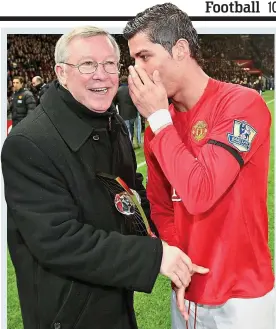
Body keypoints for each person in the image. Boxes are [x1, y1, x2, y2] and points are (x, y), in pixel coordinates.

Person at [1, 26, 208, 329]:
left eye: (110, 64)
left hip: (114, 299)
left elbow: (131, 195)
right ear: (61, 73)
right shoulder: (28, 142)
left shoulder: (112, 123)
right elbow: (58, 240)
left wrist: (174, 238)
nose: (101, 74)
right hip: (67, 314)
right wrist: (154, 256)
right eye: (87, 64)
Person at [123, 3, 275, 329]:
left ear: (179, 50)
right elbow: (163, 206)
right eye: (133, 59)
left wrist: (160, 120)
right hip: (188, 293)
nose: (135, 71)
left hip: (242, 297)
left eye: (144, 57)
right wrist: (180, 267)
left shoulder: (241, 104)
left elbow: (200, 192)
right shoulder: (157, 127)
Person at [113, 75, 139, 145]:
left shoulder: (117, 91)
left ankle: (130, 143)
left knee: (127, 129)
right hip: (133, 113)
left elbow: (114, 103)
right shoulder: (132, 89)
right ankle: (135, 142)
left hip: (123, 114)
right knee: (133, 128)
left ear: (120, 81)